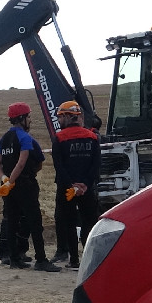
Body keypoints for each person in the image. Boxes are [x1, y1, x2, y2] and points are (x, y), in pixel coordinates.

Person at [0, 102, 61, 272]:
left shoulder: (4, 138)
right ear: (22, 118)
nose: (30, 120)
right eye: (29, 117)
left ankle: (14, 259)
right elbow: (24, 162)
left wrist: (5, 179)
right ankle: (41, 260)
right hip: (25, 185)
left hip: (8, 188)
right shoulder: (25, 138)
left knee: (12, 221)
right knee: (35, 221)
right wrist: (13, 180)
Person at [50, 100, 101, 269]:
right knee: (89, 221)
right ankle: (89, 257)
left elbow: (59, 167)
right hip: (87, 189)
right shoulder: (92, 137)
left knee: (68, 223)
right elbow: (95, 165)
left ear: (66, 116)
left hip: (67, 189)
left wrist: (72, 186)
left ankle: (73, 260)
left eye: (60, 117)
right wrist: (85, 185)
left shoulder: (59, 138)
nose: (59, 120)